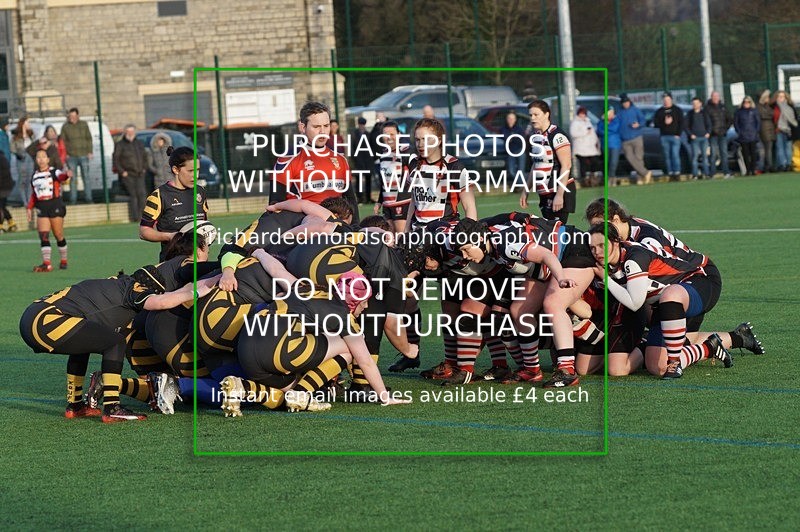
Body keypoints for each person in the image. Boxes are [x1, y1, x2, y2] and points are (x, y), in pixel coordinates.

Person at [19, 262, 219, 422]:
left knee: (85, 342)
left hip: (35, 316)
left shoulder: (119, 283)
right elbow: (162, 301)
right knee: (115, 342)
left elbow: (174, 293)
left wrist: (216, 278)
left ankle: (75, 405)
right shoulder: (135, 290)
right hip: (46, 321)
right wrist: (198, 292)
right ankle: (112, 407)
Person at [588, 224, 733, 379]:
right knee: (657, 367)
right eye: (592, 247)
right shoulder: (610, 261)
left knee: (671, 295)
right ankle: (709, 347)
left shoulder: (633, 258)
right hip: (664, 306)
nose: (597, 252)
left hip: (697, 284)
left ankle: (675, 362)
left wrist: (605, 279)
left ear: (616, 242)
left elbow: (635, 303)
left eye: (602, 245)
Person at [270, 101, 359, 223]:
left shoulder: (340, 159)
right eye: (316, 127)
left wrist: (356, 231)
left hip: (339, 230)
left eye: (326, 126)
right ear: (302, 127)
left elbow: (351, 201)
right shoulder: (287, 160)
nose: (322, 132)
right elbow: (275, 204)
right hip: (305, 231)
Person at [404, 117, 477, 229]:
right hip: (418, 232)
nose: (420, 144)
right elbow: (414, 201)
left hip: (444, 232)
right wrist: (406, 230)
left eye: (426, 139)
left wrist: (470, 232)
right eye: (418, 140)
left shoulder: (454, 167)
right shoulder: (414, 164)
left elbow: (469, 207)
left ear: (438, 140)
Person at [140, 146, 209, 261]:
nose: (196, 176)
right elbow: (144, 231)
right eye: (190, 171)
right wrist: (170, 236)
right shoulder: (159, 195)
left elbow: (203, 224)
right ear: (175, 170)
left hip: (199, 263)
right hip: (172, 265)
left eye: (197, 170)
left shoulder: (200, 191)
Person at [519, 99, 575, 223]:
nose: (532, 118)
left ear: (547, 114)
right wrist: (526, 190)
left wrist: (560, 195)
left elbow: (566, 165)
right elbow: (536, 164)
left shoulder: (557, 135)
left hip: (557, 191)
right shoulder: (536, 136)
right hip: (544, 193)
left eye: (536, 114)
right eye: (530, 115)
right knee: (548, 232)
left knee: (556, 233)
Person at [26, 149, 72, 271]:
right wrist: (29, 208)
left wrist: (67, 174)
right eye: (38, 157)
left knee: (58, 234)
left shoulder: (53, 172)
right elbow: (34, 195)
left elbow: (62, 177)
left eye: (43, 157)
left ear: (48, 159)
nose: (41, 159)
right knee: (44, 236)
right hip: (41, 206)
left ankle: (64, 260)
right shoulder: (34, 176)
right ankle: (47, 263)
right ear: (36, 160)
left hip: (55, 205)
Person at [373, 120, 412, 233]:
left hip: (402, 202)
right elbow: (384, 181)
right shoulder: (383, 154)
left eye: (392, 134)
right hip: (387, 204)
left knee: (401, 237)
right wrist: (379, 201)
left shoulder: (406, 151)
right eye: (386, 134)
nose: (389, 137)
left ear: (399, 135)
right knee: (390, 238)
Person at [113, 124, 149, 223]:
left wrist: (144, 168)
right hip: (128, 174)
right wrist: (122, 171)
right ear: (125, 133)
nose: (130, 133)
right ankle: (136, 218)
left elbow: (145, 157)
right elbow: (116, 159)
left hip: (140, 173)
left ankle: (144, 217)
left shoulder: (139, 143)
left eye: (132, 131)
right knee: (134, 195)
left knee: (142, 194)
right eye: (128, 132)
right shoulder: (120, 144)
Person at [60, 108, 94, 204]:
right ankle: (73, 200)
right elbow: (62, 141)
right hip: (71, 156)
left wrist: (90, 151)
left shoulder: (84, 124)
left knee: (86, 177)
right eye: (70, 116)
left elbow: (89, 138)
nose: (72, 118)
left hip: (84, 155)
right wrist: (65, 154)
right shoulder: (65, 127)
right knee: (73, 179)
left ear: (78, 116)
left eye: (74, 116)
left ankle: (89, 198)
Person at [617, 93, 652, 184]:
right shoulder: (620, 113)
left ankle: (640, 178)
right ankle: (646, 173)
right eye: (624, 102)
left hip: (636, 137)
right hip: (625, 139)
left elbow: (643, 121)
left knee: (639, 158)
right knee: (630, 158)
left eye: (627, 102)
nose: (625, 104)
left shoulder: (635, 110)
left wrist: (638, 125)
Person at [653, 92, 685, 181]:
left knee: (675, 155)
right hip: (664, 137)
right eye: (664, 100)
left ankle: (677, 173)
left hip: (675, 137)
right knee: (667, 156)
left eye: (667, 99)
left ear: (671, 99)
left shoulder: (677, 110)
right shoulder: (659, 112)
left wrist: (678, 134)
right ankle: (670, 173)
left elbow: (682, 123)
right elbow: (656, 124)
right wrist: (664, 123)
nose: (666, 101)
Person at [569, 106, 602, 187]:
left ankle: (593, 178)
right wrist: (585, 132)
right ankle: (585, 180)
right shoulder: (575, 123)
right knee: (584, 164)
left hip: (591, 148)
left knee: (595, 162)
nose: (582, 115)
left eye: (584, 113)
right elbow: (573, 134)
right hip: (581, 148)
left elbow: (593, 134)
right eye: (581, 113)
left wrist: (596, 142)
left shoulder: (588, 121)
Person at [706, 91, 732, 178]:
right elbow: (706, 121)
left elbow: (729, 119)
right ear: (711, 97)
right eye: (714, 96)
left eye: (717, 96)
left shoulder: (723, 107)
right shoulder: (707, 108)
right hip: (713, 135)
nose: (715, 98)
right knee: (713, 154)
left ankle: (726, 172)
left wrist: (726, 129)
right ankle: (712, 173)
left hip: (723, 134)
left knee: (724, 153)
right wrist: (711, 131)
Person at [685, 97, 712, 179]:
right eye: (693, 104)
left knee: (705, 157)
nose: (695, 105)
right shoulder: (689, 114)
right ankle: (695, 174)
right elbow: (685, 126)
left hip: (704, 138)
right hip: (694, 139)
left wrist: (708, 133)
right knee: (695, 157)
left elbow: (709, 124)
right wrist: (690, 135)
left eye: (697, 103)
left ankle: (706, 173)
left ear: (700, 104)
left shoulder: (704, 113)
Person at [11, 116, 35, 207]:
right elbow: (12, 148)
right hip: (21, 159)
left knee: (30, 180)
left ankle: (29, 201)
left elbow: (34, 146)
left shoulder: (31, 134)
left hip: (30, 159)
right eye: (27, 122)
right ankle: (24, 201)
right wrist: (18, 154)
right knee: (22, 181)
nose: (29, 124)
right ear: (23, 123)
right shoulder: (16, 136)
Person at [734, 95, 761, 176]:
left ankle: (753, 169)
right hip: (743, 136)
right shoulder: (739, 112)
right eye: (745, 102)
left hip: (752, 135)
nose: (746, 104)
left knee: (753, 153)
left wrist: (756, 131)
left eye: (748, 102)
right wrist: (739, 132)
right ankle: (747, 170)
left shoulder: (754, 111)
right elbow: (736, 123)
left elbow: (758, 122)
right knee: (745, 154)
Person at [772, 90, 797, 172]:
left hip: (788, 130)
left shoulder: (789, 107)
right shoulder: (774, 107)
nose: (780, 98)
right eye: (779, 97)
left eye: (782, 96)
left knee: (788, 148)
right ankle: (782, 164)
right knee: (780, 148)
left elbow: (793, 120)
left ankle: (789, 164)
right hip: (778, 130)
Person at [351, 117, 373, 203]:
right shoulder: (354, 134)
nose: (362, 126)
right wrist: (354, 158)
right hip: (358, 160)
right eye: (360, 124)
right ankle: (360, 198)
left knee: (368, 180)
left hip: (367, 160)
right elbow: (352, 147)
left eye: (363, 124)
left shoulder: (368, 134)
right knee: (359, 181)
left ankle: (368, 198)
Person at [597, 107, 621, 186]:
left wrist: (606, 129)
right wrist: (606, 126)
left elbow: (614, 128)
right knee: (606, 162)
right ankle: (607, 178)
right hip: (605, 144)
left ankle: (612, 177)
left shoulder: (616, 120)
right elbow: (600, 131)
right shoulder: (601, 122)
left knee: (613, 162)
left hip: (615, 145)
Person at [501, 112, 527, 183]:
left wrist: (511, 138)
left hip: (520, 150)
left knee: (520, 170)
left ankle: (520, 186)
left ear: (515, 120)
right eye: (509, 118)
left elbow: (520, 140)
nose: (510, 120)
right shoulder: (503, 129)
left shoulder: (519, 129)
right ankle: (521, 183)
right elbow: (505, 138)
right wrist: (512, 138)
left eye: (512, 118)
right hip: (510, 152)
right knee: (512, 171)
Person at [757, 89, 776, 172]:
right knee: (767, 149)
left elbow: (772, 114)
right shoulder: (759, 107)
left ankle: (767, 166)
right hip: (764, 130)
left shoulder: (767, 106)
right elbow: (765, 115)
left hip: (770, 130)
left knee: (768, 149)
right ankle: (769, 166)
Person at [0, 151, 16, 233]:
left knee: (1, 207)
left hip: (2, 187)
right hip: (6, 186)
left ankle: (1, 227)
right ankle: (11, 223)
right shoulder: (3, 157)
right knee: (2, 206)